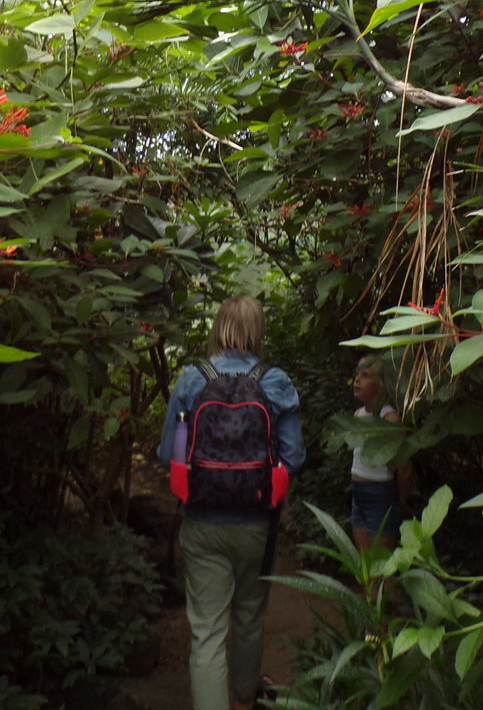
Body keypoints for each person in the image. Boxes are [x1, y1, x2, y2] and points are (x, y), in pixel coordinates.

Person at [158, 296, 306, 710]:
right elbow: (293, 456)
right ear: (258, 330)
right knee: (248, 617)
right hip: (257, 522)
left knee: (206, 631)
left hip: (202, 521)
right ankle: (244, 700)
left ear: (218, 326)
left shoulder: (191, 379)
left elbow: (167, 452)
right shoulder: (274, 382)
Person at [349, 355, 412, 553]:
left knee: (383, 567)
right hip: (357, 491)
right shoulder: (358, 416)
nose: (357, 380)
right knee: (366, 565)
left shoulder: (390, 419)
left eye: (365, 375)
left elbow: (404, 467)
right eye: (357, 374)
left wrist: (400, 502)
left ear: (381, 385)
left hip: (380, 494)